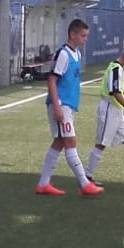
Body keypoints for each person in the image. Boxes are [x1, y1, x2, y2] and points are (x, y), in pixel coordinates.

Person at [36, 18, 104, 197]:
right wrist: (57, 106)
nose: (85, 39)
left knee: (60, 142)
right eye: (83, 35)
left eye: (86, 36)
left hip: (69, 105)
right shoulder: (64, 54)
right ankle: (84, 183)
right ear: (72, 34)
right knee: (70, 142)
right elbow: (52, 80)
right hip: (62, 105)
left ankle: (43, 184)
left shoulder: (77, 54)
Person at [88, 49, 124, 180]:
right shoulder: (115, 69)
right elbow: (115, 92)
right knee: (101, 144)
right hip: (109, 108)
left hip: (116, 110)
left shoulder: (121, 69)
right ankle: (87, 175)